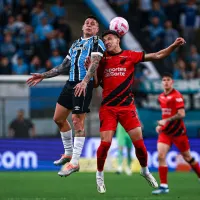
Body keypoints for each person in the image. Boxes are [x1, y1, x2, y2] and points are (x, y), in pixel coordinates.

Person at [75, 30, 185, 193]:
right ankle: (99, 176)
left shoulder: (130, 55)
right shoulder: (102, 59)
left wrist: (174, 46)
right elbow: (98, 84)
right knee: (105, 144)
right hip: (109, 108)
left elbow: (157, 56)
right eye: (105, 40)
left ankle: (145, 171)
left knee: (139, 145)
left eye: (110, 39)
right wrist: (90, 70)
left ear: (118, 40)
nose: (107, 42)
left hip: (127, 107)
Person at [27, 16, 105, 176]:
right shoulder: (75, 44)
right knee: (58, 119)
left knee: (77, 121)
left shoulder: (97, 42)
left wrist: (84, 81)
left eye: (93, 24)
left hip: (83, 85)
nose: (89, 25)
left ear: (96, 29)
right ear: (83, 27)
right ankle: (68, 153)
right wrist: (43, 75)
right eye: (87, 23)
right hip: (70, 84)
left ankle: (75, 162)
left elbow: (95, 62)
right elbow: (63, 66)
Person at [152, 72, 200, 195]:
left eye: (168, 79)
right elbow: (165, 114)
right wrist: (160, 125)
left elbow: (182, 114)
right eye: (164, 80)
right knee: (161, 156)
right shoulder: (161, 97)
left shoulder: (177, 95)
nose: (166, 82)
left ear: (172, 82)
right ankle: (164, 186)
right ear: (162, 82)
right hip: (165, 133)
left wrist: (166, 121)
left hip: (179, 133)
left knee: (188, 157)